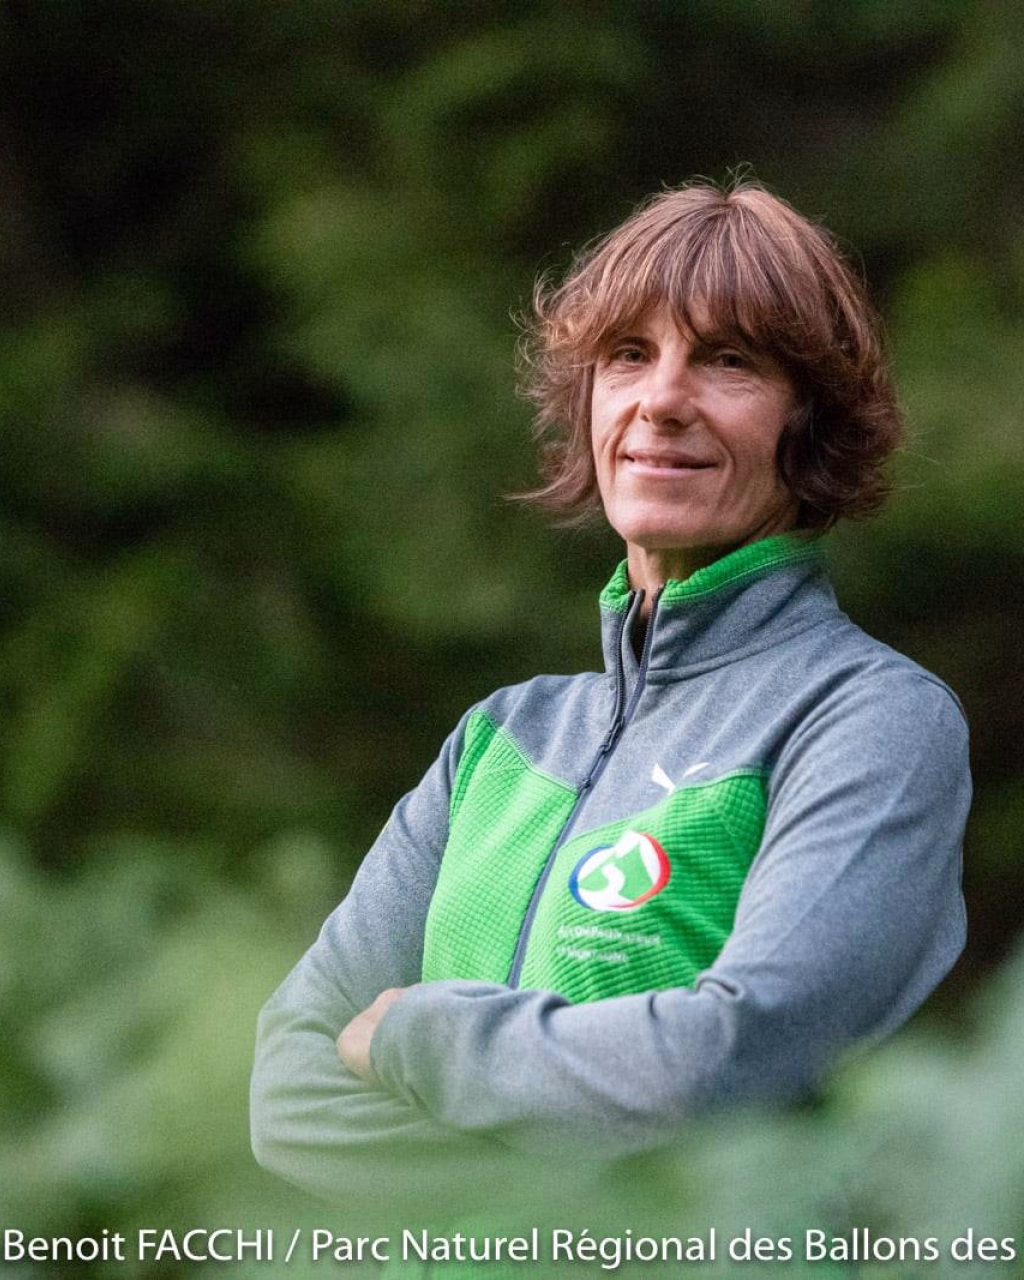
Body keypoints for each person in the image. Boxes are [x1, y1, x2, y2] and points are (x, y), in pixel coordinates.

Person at [249, 179, 970, 1208]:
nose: (661, 399)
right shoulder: (498, 738)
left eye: (728, 360)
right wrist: (582, 1198)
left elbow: (735, 1052)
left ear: (811, 422)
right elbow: (288, 1085)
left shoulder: (869, 720)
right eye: (628, 355)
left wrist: (421, 1034)